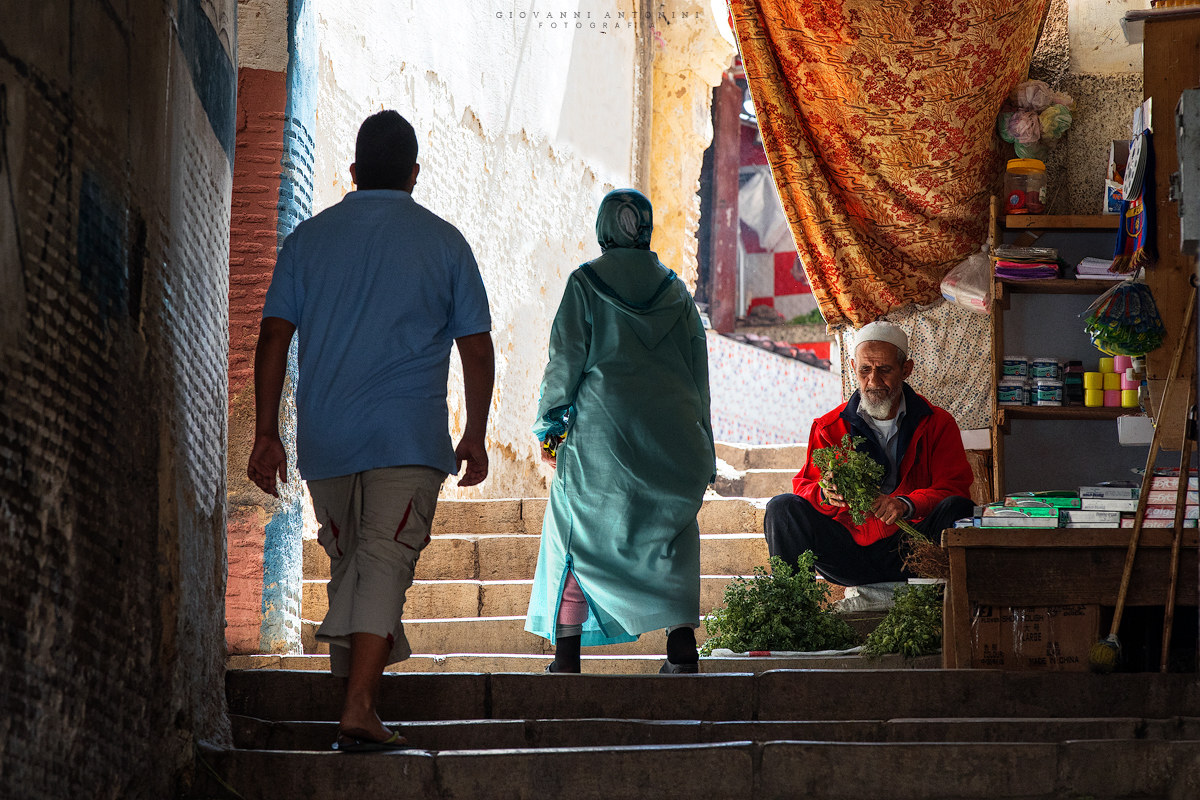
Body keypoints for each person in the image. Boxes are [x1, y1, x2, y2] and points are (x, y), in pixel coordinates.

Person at [247, 110, 494, 752]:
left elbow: (274, 333)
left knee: (353, 561)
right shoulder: (445, 243)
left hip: (326, 442)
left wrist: (266, 431)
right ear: (414, 174)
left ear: (353, 173)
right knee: (383, 561)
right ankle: (357, 708)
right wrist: (474, 431)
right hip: (408, 441)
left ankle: (352, 700)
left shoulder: (307, 240)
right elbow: (476, 343)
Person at [525, 189, 715, 674]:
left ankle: (566, 659)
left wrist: (550, 428)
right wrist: (702, 446)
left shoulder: (585, 285)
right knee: (669, 538)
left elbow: (563, 362)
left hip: (600, 440)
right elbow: (699, 374)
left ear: (603, 228)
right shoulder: (676, 292)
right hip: (672, 436)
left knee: (577, 537)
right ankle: (681, 650)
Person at [764, 320, 974, 586]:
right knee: (782, 508)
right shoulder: (829, 427)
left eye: (884, 369)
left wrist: (906, 504)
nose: (873, 381)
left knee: (960, 509)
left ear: (905, 369)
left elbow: (954, 489)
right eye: (865, 370)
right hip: (848, 554)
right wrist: (824, 494)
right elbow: (804, 487)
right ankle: (793, 609)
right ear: (853, 368)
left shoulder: (938, 423)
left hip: (912, 550)